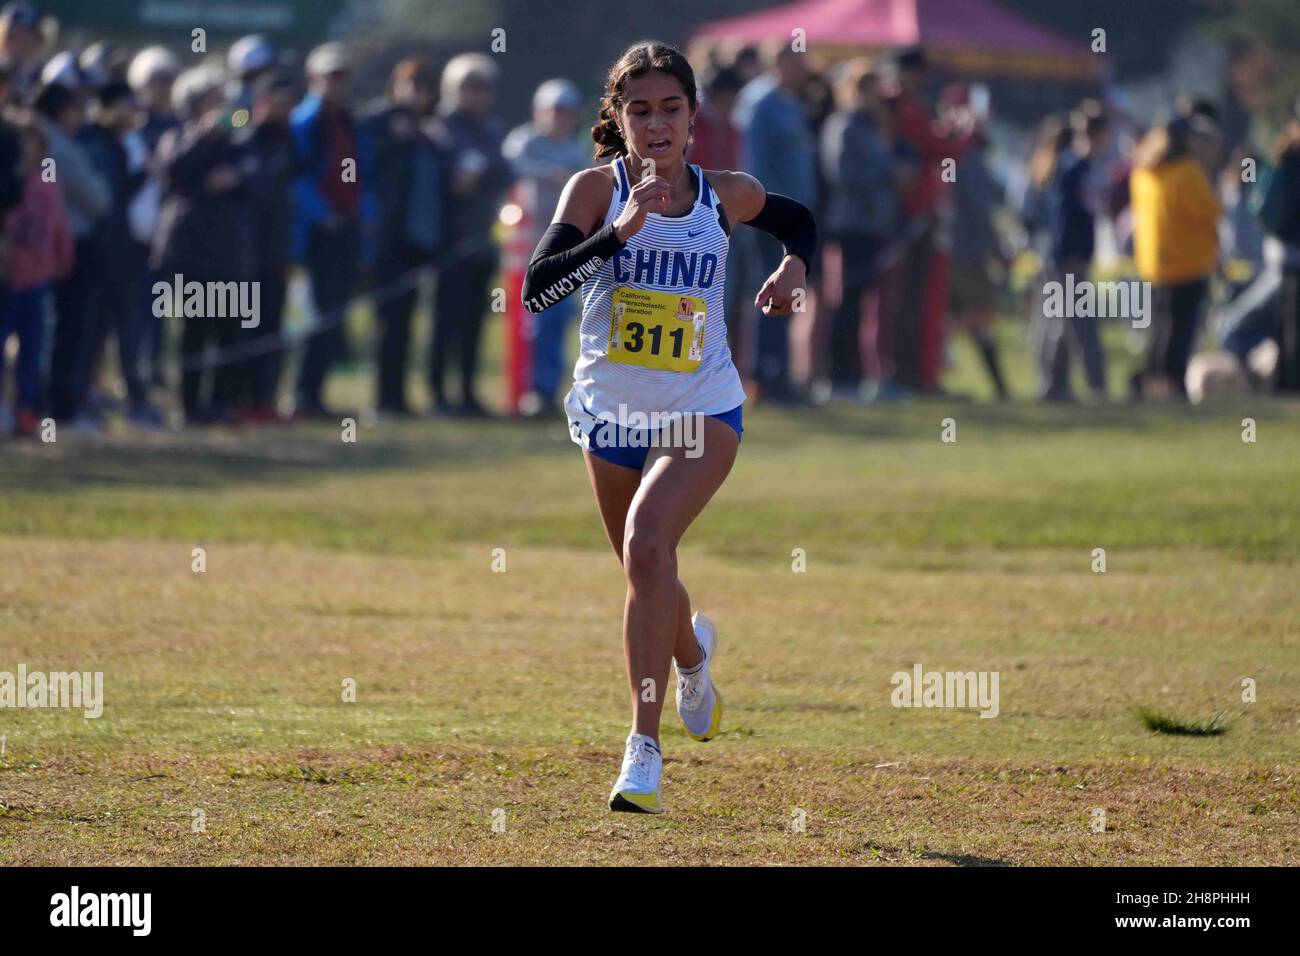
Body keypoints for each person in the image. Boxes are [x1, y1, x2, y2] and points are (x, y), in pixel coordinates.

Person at [521, 41, 816, 814]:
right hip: (611, 411)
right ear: (616, 120)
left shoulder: (726, 193)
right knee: (644, 568)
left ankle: (642, 749)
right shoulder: (594, 190)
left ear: (694, 116)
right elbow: (539, 293)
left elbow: (798, 221)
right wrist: (618, 232)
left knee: (651, 545)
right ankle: (692, 657)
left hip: (701, 404)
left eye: (671, 109)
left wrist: (794, 269)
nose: (656, 125)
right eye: (640, 110)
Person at [151, 63, 256, 424]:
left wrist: (236, 176)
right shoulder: (177, 138)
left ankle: (222, 403)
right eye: (214, 100)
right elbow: (175, 172)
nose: (223, 107)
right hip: (193, 251)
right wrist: (203, 135)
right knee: (194, 328)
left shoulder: (238, 142)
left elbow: (258, 180)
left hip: (229, 252)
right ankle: (189, 406)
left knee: (228, 328)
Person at [290, 42, 374, 419]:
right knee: (311, 315)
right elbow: (297, 177)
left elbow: (362, 175)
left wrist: (362, 212)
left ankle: (314, 393)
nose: (337, 83)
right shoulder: (304, 122)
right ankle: (301, 394)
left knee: (333, 313)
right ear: (313, 79)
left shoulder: (349, 121)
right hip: (314, 235)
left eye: (342, 76)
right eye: (329, 76)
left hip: (346, 231)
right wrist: (322, 214)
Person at [732, 41, 818, 401]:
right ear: (779, 61)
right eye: (797, 61)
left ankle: (779, 372)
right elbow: (751, 163)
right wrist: (762, 212)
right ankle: (766, 377)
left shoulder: (789, 101)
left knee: (789, 293)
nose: (804, 68)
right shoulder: (760, 101)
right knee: (770, 293)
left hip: (793, 219)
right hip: (769, 217)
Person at [364, 57, 446, 418]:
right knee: (386, 322)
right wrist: (395, 141)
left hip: (417, 240)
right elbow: (365, 171)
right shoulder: (378, 122)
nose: (417, 93)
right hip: (386, 239)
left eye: (424, 86)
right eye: (410, 85)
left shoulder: (430, 132)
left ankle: (398, 398)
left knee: (405, 322)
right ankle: (383, 400)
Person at [431, 53, 512, 417]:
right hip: (446, 242)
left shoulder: (491, 130)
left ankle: (466, 392)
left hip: (482, 241)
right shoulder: (438, 127)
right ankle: (438, 395)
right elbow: (445, 179)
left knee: (473, 322)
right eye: (469, 86)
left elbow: (504, 173)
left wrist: (478, 175)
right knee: (443, 320)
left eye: (483, 87)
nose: (476, 94)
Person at [503, 77, 589, 415]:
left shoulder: (577, 148)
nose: (559, 118)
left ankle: (545, 390)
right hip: (523, 248)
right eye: (553, 110)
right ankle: (521, 389)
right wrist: (550, 173)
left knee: (557, 319)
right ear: (539, 111)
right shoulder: (524, 142)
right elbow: (511, 168)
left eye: (565, 111)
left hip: (564, 247)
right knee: (527, 322)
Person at [33, 81, 110, 427]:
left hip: (47, 247)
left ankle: (47, 404)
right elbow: (97, 198)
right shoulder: (56, 147)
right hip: (68, 247)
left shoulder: (38, 140)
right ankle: (59, 408)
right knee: (66, 329)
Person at [1129, 114, 1221, 399]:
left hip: (1154, 262)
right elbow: (1210, 211)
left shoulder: (1143, 170)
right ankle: (1173, 384)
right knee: (1180, 329)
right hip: (1187, 262)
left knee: (1159, 328)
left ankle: (1153, 382)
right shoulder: (1187, 171)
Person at [820, 58, 896, 399]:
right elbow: (843, 175)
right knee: (847, 301)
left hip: (871, 226)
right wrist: (884, 178)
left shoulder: (871, 127)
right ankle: (838, 379)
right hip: (851, 225)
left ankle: (858, 376)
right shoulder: (844, 126)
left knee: (864, 303)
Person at [232, 70, 300, 422]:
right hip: (246, 253)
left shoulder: (287, 141)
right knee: (247, 326)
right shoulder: (247, 139)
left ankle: (265, 398)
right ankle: (241, 400)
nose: (284, 108)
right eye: (278, 102)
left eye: (289, 103)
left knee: (273, 327)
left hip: (276, 251)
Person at [0, 115, 72, 437]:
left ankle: (28, 410)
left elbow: (59, 226)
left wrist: (61, 260)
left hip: (36, 280)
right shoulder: (7, 182)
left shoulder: (48, 184)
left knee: (33, 351)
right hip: (6, 278)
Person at [1039, 106, 1111, 402]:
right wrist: (1073, 254)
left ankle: (1054, 387)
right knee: (1079, 323)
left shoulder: (1082, 167)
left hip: (1072, 255)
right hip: (1070, 256)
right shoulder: (1075, 168)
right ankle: (1094, 385)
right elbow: (1064, 219)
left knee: (1066, 322)